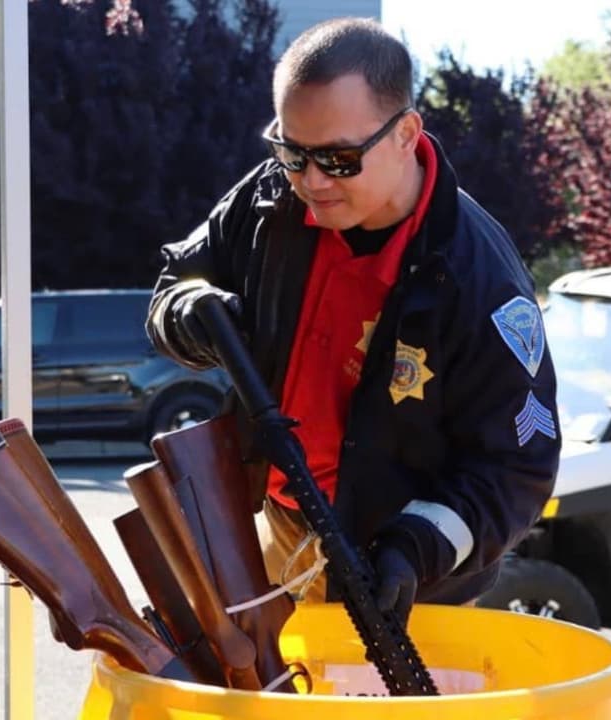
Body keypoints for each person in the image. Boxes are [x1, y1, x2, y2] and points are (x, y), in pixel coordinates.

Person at [145, 17, 560, 621]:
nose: (310, 181)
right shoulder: (268, 198)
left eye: (338, 158)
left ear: (405, 133)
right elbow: (172, 287)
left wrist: (416, 547)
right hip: (277, 526)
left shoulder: (481, 279)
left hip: (405, 578)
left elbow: (518, 469)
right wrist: (188, 315)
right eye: (290, 151)